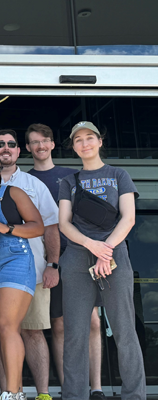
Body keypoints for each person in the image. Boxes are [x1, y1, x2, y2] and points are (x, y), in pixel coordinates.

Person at [0, 129, 60, 400]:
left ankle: (15, 393)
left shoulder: (15, 191)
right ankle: (10, 390)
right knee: (5, 330)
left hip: (16, 260)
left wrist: (7, 228)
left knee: (9, 326)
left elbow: (39, 226)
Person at [59, 121, 146, 400]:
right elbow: (64, 223)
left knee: (124, 330)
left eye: (89, 138)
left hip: (114, 256)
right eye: (78, 140)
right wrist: (90, 245)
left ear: (100, 141)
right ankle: (75, 395)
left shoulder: (119, 174)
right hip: (76, 257)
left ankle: (134, 395)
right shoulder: (68, 181)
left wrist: (104, 250)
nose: (84, 144)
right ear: (73, 147)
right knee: (75, 333)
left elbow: (128, 218)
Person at [25, 123, 105, 399]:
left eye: (44, 140)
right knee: (58, 324)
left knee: (93, 321)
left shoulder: (73, 175)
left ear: (52, 144)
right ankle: (69, 389)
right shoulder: (25, 181)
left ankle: (96, 388)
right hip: (50, 262)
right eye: (34, 142)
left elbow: (92, 217)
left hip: (82, 254)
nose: (40, 146)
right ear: (28, 148)